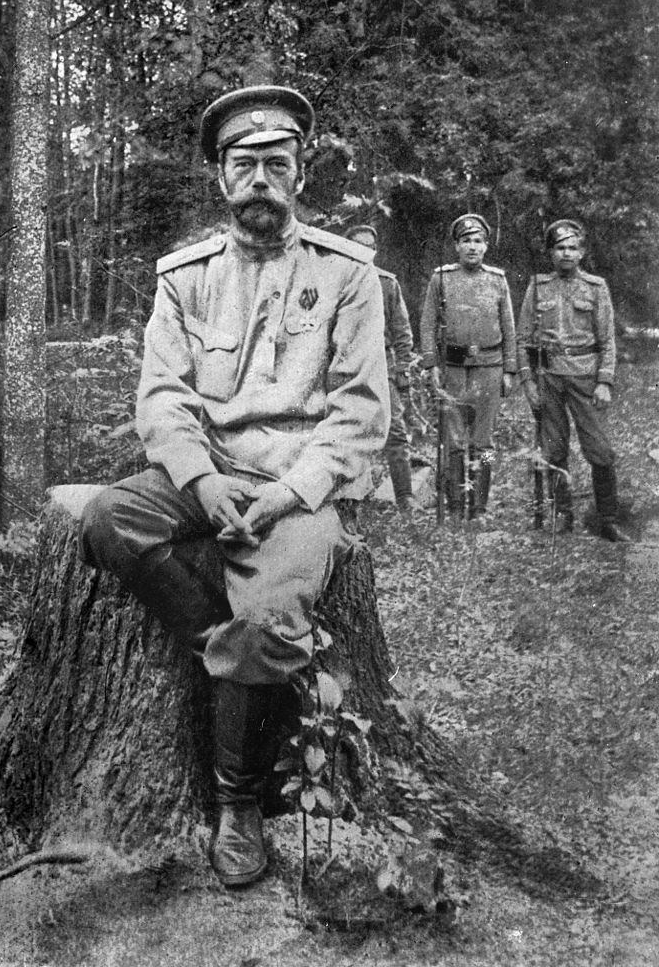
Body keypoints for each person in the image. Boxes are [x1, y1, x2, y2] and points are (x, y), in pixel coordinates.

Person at [79, 85, 390, 888]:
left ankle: (239, 803)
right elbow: (163, 396)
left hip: (302, 486)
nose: (260, 179)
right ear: (221, 177)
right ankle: (234, 653)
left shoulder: (348, 276)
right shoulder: (185, 277)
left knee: (267, 619)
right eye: (243, 164)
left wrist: (289, 493)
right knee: (110, 519)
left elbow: (360, 412)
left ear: (299, 175)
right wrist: (202, 480)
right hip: (208, 473)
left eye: (275, 164)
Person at [516, 218, 630, 542]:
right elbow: (523, 339)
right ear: (551, 253)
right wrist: (528, 383)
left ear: (581, 252)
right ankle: (563, 514)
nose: (566, 253)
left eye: (572, 247)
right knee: (554, 451)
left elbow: (607, 341)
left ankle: (608, 519)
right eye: (560, 247)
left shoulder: (595, 287)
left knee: (601, 451)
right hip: (549, 379)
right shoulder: (538, 287)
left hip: (585, 378)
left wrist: (605, 382)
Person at [419, 213, 516, 519]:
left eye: (478, 241)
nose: (472, 247)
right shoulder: (442, 278)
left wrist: (510, 370)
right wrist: (431, 364)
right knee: (455, 440)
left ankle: (479, 506)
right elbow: (427, 324)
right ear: (456, 246)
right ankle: (457, 505)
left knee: (484, 441)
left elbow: (509, 328)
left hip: (490, 364)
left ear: (486, 246)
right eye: (466, 241)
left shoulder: (497, 280)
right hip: (455, 364)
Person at [346, 224, 416, 512]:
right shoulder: (335, 282)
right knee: (349, 432)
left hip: (383, 367)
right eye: (357, 245)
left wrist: (403, 369)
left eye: (370, 246)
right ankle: (350, 496)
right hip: (349, 368)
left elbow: (402, 332)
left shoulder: (387, 284)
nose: (364, 251)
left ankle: (405, 495)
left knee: (395, 431)